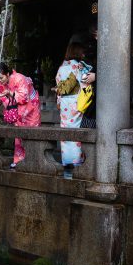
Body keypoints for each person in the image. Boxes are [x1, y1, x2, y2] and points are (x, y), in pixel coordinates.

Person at [55, 43, 92, 179]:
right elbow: (84, 83)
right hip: (76, 102)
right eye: (82, 52)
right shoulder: (78, 66)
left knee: (66, 131)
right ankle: (76, 160)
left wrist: (59, 101)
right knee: (76, 130)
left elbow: (59, 86)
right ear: (78, 52)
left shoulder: (62, 67)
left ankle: (67, 161)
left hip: (64, 102)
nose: (84, 54)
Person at [0, 63, 41, 169]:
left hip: (31, 107)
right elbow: (1, 94)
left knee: (32, 133)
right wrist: (0, 100)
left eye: (1, 78)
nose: (0, 81)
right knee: (18, 134)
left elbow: (23, 97)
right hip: (18, 110)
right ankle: (19, 160)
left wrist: (10, 93)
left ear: (7, 74)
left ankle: (33, 160)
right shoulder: (0, 82)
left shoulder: (19, 78)